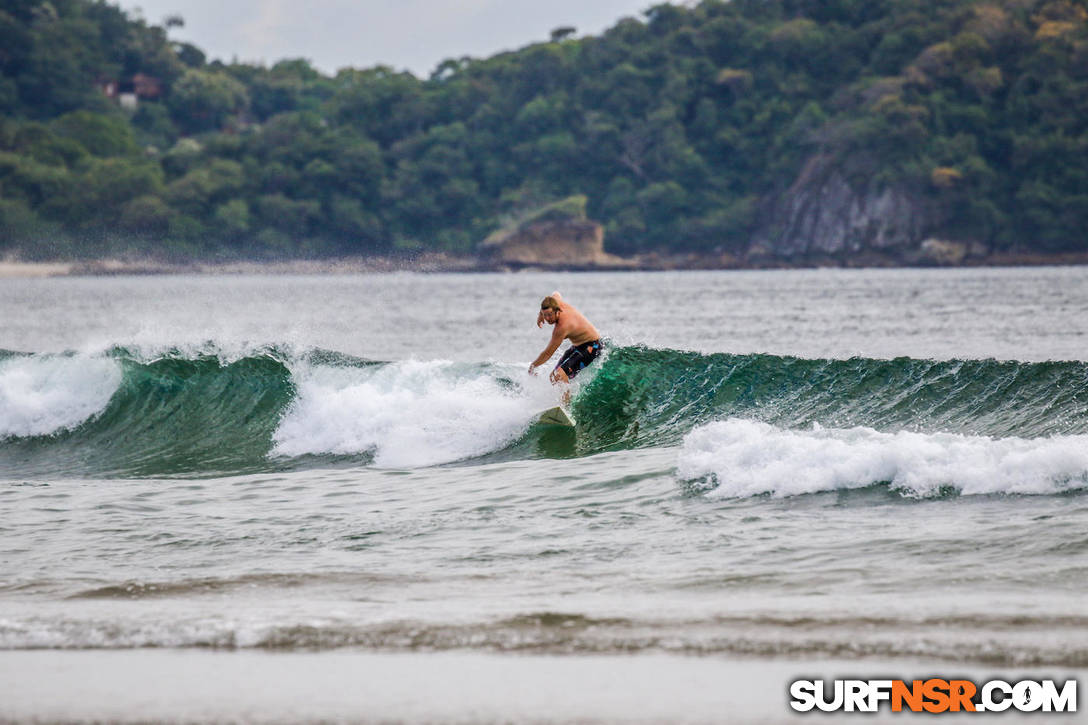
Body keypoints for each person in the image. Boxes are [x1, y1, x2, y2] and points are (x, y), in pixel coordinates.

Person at [529, 291, 603, 400]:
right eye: (545, 315)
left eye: (550, 315)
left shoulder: (562, 327)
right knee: (553, 377)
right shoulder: (555, 302)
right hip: (578, 345)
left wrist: (533, 365)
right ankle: (563, 400)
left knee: (559, 374)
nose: (548, 318)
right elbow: (556, 293)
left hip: (592, 347)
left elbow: (548, 353)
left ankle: (566, 408)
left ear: (557, 311)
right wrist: (540, 315)